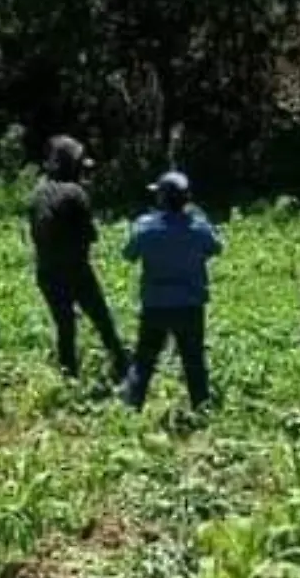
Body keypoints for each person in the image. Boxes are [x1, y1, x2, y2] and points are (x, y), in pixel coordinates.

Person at [28, 135, 129, 382]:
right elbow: (90, 235)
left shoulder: (38, 192)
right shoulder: (74, 193)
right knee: (102, 318)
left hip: (46, 270)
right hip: (75, 270)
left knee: (65, 326)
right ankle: (123, 365)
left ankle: (69, 377)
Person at [121, 172, 223, 411]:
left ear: (162, 199)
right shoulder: (199, 227)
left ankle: (131, 408)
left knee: (145, 359)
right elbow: (215, 248)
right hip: (189, 305)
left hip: (155, 304)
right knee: (193, 360)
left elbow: (128, 254)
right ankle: (201, 408)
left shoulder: (146, 227)